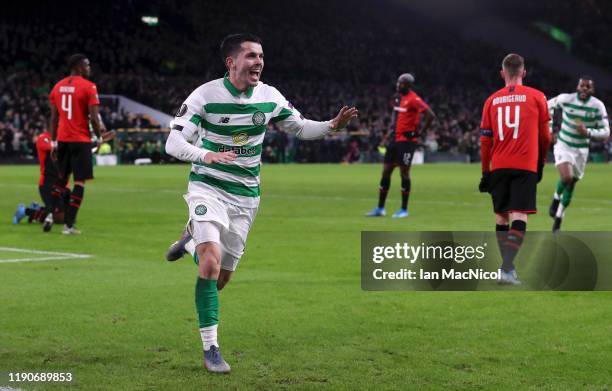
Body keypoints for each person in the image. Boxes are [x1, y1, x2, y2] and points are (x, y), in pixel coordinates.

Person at [163, 33, 358, 373]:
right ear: (232, 62)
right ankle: (211, 349)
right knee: (210, 264)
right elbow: (173, 143)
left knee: (221, 278)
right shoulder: (205, 96)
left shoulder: (270, 96)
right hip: (207, 187)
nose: (258, 62)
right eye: (251, 56)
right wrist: (206, 154)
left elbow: (299, 127)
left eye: (261, 56)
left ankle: (191, 242)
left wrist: (331, 125)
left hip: (246, 197)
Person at [479, 53, 551, 285]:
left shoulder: (491, 100)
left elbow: (485, 141)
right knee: (519, 215)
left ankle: (507, 270)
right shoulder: (537, 96)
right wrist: (540, 162)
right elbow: (545, 137)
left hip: (498, 166)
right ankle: (507, 268)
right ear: (524, 72)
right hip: (525, 165)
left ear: (502, 73)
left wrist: (485, 172)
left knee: (501, 217)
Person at [46, 53, 107, 234]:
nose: (89, 69)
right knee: (79, 182)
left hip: (63, 139)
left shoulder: (57, 87)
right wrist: (99, 137)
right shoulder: (89, 87)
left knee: (61, 180)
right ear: (79, 67)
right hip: (80, 140)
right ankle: (68, 225)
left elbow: (54, 118)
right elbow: (94, 119)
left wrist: (54, 142)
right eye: (87, 65)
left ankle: (49, 214)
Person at [366, 73, 435, 218]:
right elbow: (395, 118)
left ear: (408, 85)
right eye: (398, 82)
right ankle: (380, 208)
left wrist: (420, 133)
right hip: (394, 140)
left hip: (407, 142)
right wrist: (388, 134)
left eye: (401, 83)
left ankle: (404, 209)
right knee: (386, 171)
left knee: (404, 173)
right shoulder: (397, 98)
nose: (398, 85)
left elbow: (430, 115)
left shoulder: (414, 99)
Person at [547, 77, 610, 232]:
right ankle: (556, 198)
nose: (584, 89)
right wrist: (549, 130)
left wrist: (588, 132)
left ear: (592, 90)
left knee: (571, 184)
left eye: (587, 87)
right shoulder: (565, 99)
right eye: (582, 86)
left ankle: (559, 217)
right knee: (566, 177)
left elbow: (606, 132)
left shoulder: (597, 106)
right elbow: (547, 106)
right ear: (577, 87)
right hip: (564, 145)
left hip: (581, 150)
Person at [12, 130, 69, 225]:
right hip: (47, 183)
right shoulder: (43, 138)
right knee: (57, 218)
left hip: (63, 183)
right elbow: (52, 148)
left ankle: (38, 209)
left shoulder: (63, 138)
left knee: (68, 217)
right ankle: (24, 211)